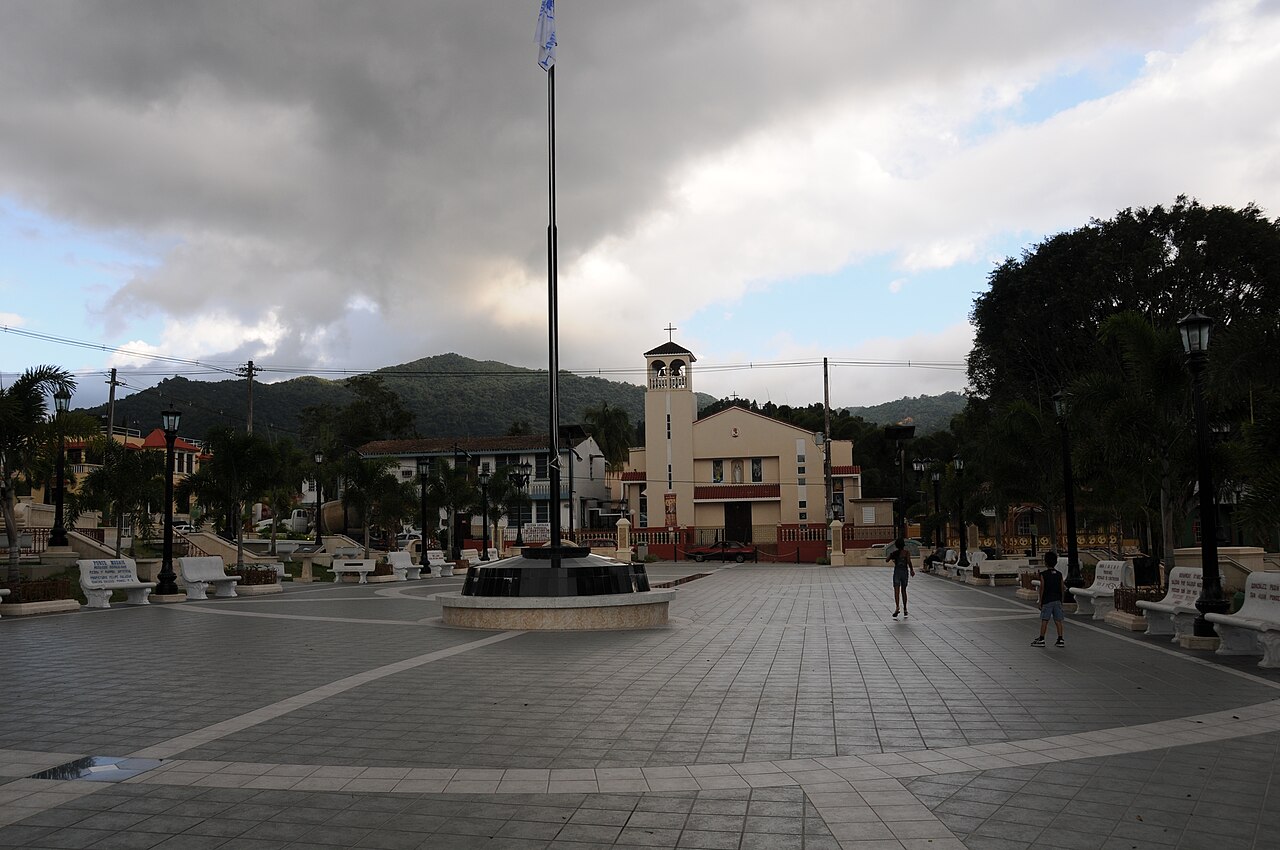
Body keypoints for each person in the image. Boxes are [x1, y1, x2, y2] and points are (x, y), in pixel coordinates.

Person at [1032, 550, 1066, 647]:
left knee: (1045, 620)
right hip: (1057, 600)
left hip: (1047, 600)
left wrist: (1040, 601)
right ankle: (1060, 639)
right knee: (1058, 620)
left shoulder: (1043, 574)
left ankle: (1042, 639)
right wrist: (1061, 600)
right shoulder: (1059, 574)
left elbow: (1042, 588)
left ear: (1045, 562)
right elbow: (1062, 588)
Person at [886, 538, 914, 619]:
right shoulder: (906, 553)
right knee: (904, 591)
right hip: (904, 572)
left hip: (897, 572)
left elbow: (887, 560)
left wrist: (891, 555)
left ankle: (897, 607)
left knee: (896, 591)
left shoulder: (895, 553)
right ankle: (905, 608)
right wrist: (912, 570)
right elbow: (909, 562)